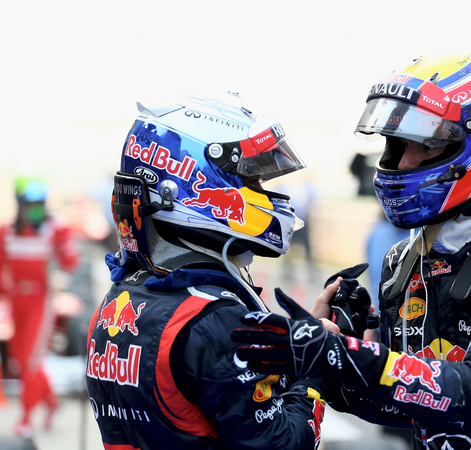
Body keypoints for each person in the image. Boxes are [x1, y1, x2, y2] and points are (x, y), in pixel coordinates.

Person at [232, 51, 471, 450]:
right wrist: (325, 361)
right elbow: (409, 407)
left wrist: (348, 356)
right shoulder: (404, 263)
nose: (404, 162)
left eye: (426, 145)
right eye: (397, 144)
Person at [85, 93, 326, 450]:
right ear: (189, 180)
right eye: (253, 181)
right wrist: (315, 367)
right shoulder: (217, 319)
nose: (263, 193)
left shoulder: (117, 300)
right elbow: (283, 444)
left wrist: (288, 347)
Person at [0, 176, 79, 437]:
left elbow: (71, 261)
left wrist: (64, 245)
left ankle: (25, 418)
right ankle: (52, 402)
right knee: (18, 361)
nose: (34, 209)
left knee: (31, 360)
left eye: (39, 204)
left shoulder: (55, 229)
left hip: (40, 302)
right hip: (15, 302)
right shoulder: (7, 232)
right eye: (29, 204)